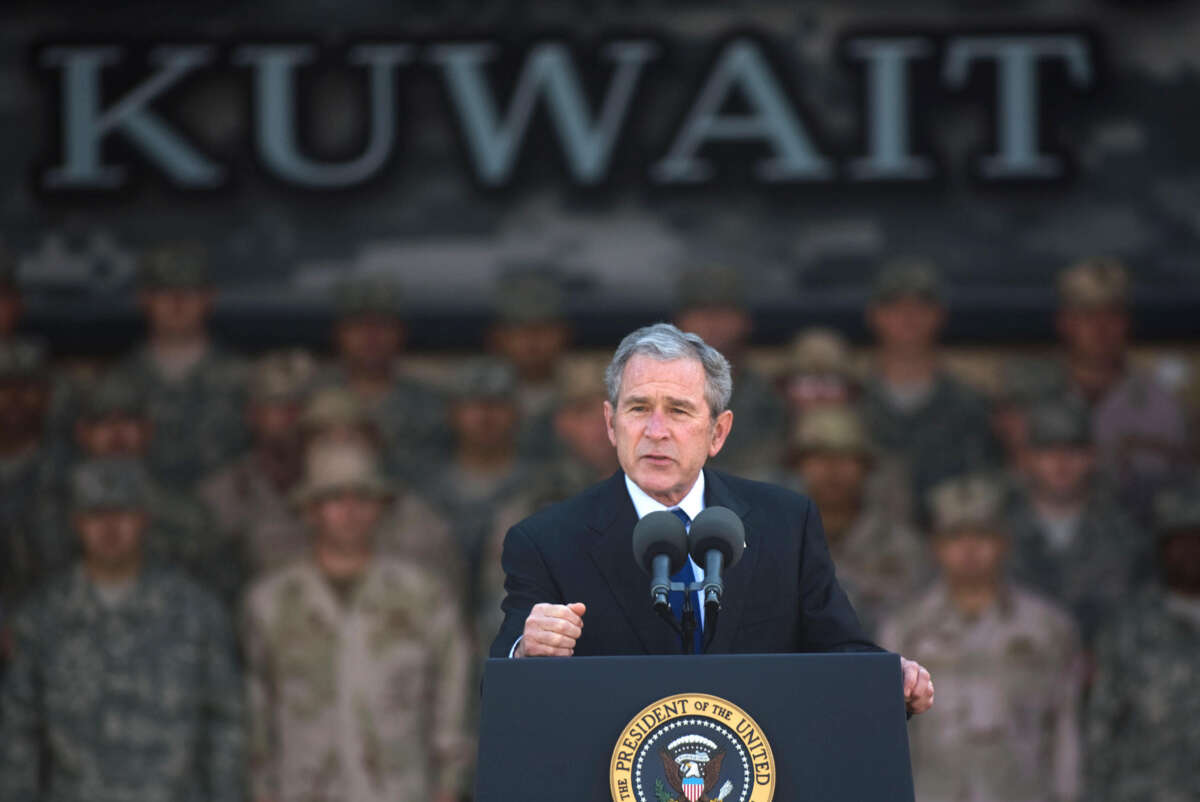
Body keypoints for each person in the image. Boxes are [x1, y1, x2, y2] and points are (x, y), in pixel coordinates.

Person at [490, 323, 934, 716]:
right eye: (639, 408)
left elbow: (838, 650)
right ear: (611, 424)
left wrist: (890, 679)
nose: (656, 431)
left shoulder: (784, 523)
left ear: (718, 432)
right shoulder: (547, 541)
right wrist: (527, 650)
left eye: (679, 411)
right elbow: (500, 684)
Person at [0, 459, 245, 802]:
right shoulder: (42, 620)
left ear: (143, 519)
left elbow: (225, 725)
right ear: (76, 523)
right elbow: (17, 736)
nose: (110, 527)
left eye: (122, 513)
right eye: (96, 515)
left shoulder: (195, 613)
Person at [242, 439, 472, 802]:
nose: (350, 510)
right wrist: (261, 790)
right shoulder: (271, 603)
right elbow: (256, 712)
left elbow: (452, 700)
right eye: (335, 498)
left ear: (380, 507)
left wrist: (449, 786)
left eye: (363, 497)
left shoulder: (424, 596)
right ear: (310, 510)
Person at [879, 474, 1083, 802]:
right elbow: (887, 733)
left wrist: (1069, 794)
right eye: (955, 536)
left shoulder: (1048, 627)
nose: (970, 549)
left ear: (1004, 542)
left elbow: (1065, 727)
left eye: (982, 535)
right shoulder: (905, 629)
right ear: (936, 546)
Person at [1085, 480, 1200, 802]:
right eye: (1180, 541)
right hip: (1145, 789)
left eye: (1199, 540)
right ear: (1161, 548)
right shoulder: (1127, 626)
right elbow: (1101, 724)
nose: (1192, 551)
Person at [859, 260, 999, 518]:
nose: (908, 317)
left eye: (920, 307)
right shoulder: (852, 403)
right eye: (895, 307)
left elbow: (986, 485)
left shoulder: (972, 406)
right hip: (870, 548)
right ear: (873, 316)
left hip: (956, 544)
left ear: (940, 315)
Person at [1005, 398, 1151, 644]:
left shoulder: (1126, 532)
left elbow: (1142, 613)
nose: (1061, 462)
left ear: (1092, 456)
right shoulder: (999, 528)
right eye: (1048, 450)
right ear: (1027, 458)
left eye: (1073, 450)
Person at [1052, 258, 1187, 511]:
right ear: (1065, 322)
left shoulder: (1161, 406)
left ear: (1127, 322)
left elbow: (1177, 497)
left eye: (1111, 315)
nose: (1100, 328)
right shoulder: (1030, 401)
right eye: (1087, 314)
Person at [784, 407, 930, 636]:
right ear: (799, 466)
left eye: (845, 458)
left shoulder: (901, 546)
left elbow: (918, 624)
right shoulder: (776, 539)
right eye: (819, 457)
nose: (832, 470)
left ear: (866, 467)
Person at [112, 243, 248, 489]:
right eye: (165, 292)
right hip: (138, 516)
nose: (178, 302)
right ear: (143, 299)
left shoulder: (246, 380)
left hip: (227, 518)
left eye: (189, 291)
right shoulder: (114, 382)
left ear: (209, 297)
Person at [198, 350, 319, 585]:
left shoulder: (338, 485)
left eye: (301, 405)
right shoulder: (222, 491)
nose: (292, 416)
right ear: (253, 415)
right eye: (277, 406)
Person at [318, 275, 451, 483]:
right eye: (358, 326)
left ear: (401, 333)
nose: (371, 336)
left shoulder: (433, 406)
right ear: (338, 334)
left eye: (382, 325)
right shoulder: (311, 399)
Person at [674, 264, 786, 480]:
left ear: (746, 321)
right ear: (680, 321)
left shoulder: (772, 395)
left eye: (723, 312)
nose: (712, 323)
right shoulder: (658, 393)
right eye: (701, 312)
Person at [487, 269, 573, 462]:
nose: (532, 340)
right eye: (519, 329)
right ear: (498, 337)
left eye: (543, 329)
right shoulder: (479, 400)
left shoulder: (586, 397)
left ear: (564, 335)